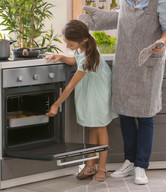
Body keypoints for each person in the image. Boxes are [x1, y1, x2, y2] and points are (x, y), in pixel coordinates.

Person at [80, 0, 166, 185]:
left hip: (147, 62)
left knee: (145, 115)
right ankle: (129, 161)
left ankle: (141, 165)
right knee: (125, 112)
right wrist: (95, 19)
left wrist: (161, 42)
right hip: (125, 62)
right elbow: (121, 17)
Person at [45, 19, 118, 182]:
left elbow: (71, 86)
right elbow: (75, 60)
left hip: (98, 93)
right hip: (89, 91)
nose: (68, 47)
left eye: (69, 45)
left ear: (82, 40)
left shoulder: (88, 56)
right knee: (92, 127)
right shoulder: (82, 48)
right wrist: (62, 57)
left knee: (100, 128)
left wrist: (56, 104)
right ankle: (90, 164)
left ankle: (102, 167)